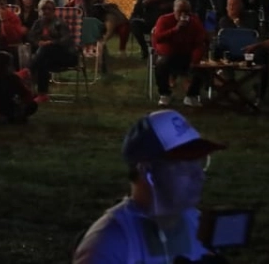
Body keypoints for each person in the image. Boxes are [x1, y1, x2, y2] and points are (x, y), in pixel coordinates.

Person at [73, 110, 225, 264]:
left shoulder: (199, 225)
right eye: (184, 167)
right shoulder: (110, 243)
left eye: (199, 163)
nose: (199, 175)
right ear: (147, 171)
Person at [150, 0, 208, 108]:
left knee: (201, 66)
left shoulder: (195, 22)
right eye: (180, 11)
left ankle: (191, 96)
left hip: (187, 55)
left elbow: (200, 43)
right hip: (168, 55)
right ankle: (165, 94)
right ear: (174, 10)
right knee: (162, 63)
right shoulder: (164, 20)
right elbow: (158, 38)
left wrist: (195, 60)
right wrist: (175, 29)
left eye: (186, 12)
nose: (183, 14)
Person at [26, 0, 76, 103]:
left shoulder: (60, 23)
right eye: (44, 9)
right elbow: (30, 37)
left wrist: (51, 43)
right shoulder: (38, 23)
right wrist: (38, 42)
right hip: (47, 56)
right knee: (43, 60)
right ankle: (42, 94)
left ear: (54, 11)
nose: (46, 11)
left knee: (44, 51)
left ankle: (27, 72)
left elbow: (66, 40)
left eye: (49, 9)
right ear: (40, 11)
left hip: (65, 55)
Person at [0, 51, 37, 125]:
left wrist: (22, 106)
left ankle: (12, 118)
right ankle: (4, 119)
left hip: (9, 105)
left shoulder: (13, 78)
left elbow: (25, 94)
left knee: (32, 105)